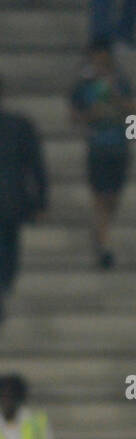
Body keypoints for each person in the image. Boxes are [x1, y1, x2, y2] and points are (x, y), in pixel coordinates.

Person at [70, 42, 136, 269]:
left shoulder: (121, 83)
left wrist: (131, 137)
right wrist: (90, 115)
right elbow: (74, 117)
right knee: (100, 198)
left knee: (113, 199)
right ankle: (103, 243)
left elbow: (134, 114)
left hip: (119, 149)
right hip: (97, 149)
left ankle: (102, 232)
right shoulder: (83, 86)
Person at [0, 77, 47, 311]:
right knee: (9, 247)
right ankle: (5, 286)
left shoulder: (20, 125)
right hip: (12, 199)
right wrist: (41, 202)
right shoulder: (20, 125)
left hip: (10, 199)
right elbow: (36, 165)